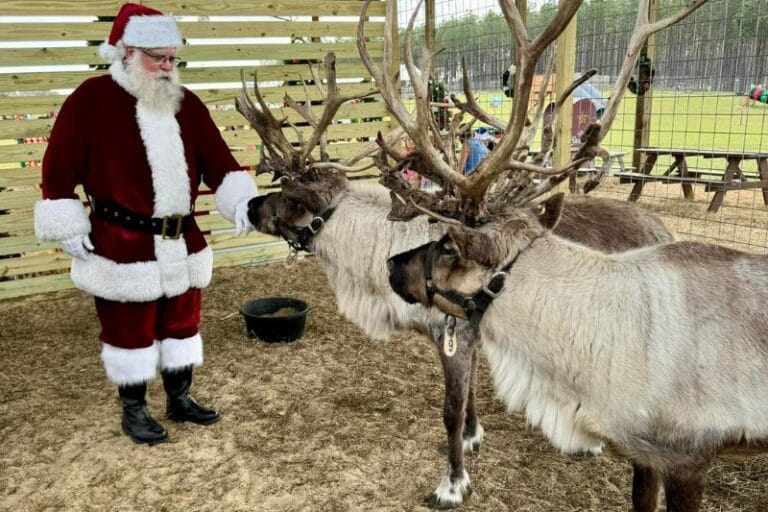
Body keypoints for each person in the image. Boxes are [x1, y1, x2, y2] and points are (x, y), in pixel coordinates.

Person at [33, 3, 259, 445]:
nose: (168, 67)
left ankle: (180, 398)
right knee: (128, 331)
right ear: (127, 52)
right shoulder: (90, 101)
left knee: (182, 324)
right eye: (159, 57)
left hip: (182, 241)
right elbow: (57, 171)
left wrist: (243, 203)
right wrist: (68, 224)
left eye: (173, 58)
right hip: (122, 244)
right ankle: (133, 409)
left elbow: (220, 163)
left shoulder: (187, 105)